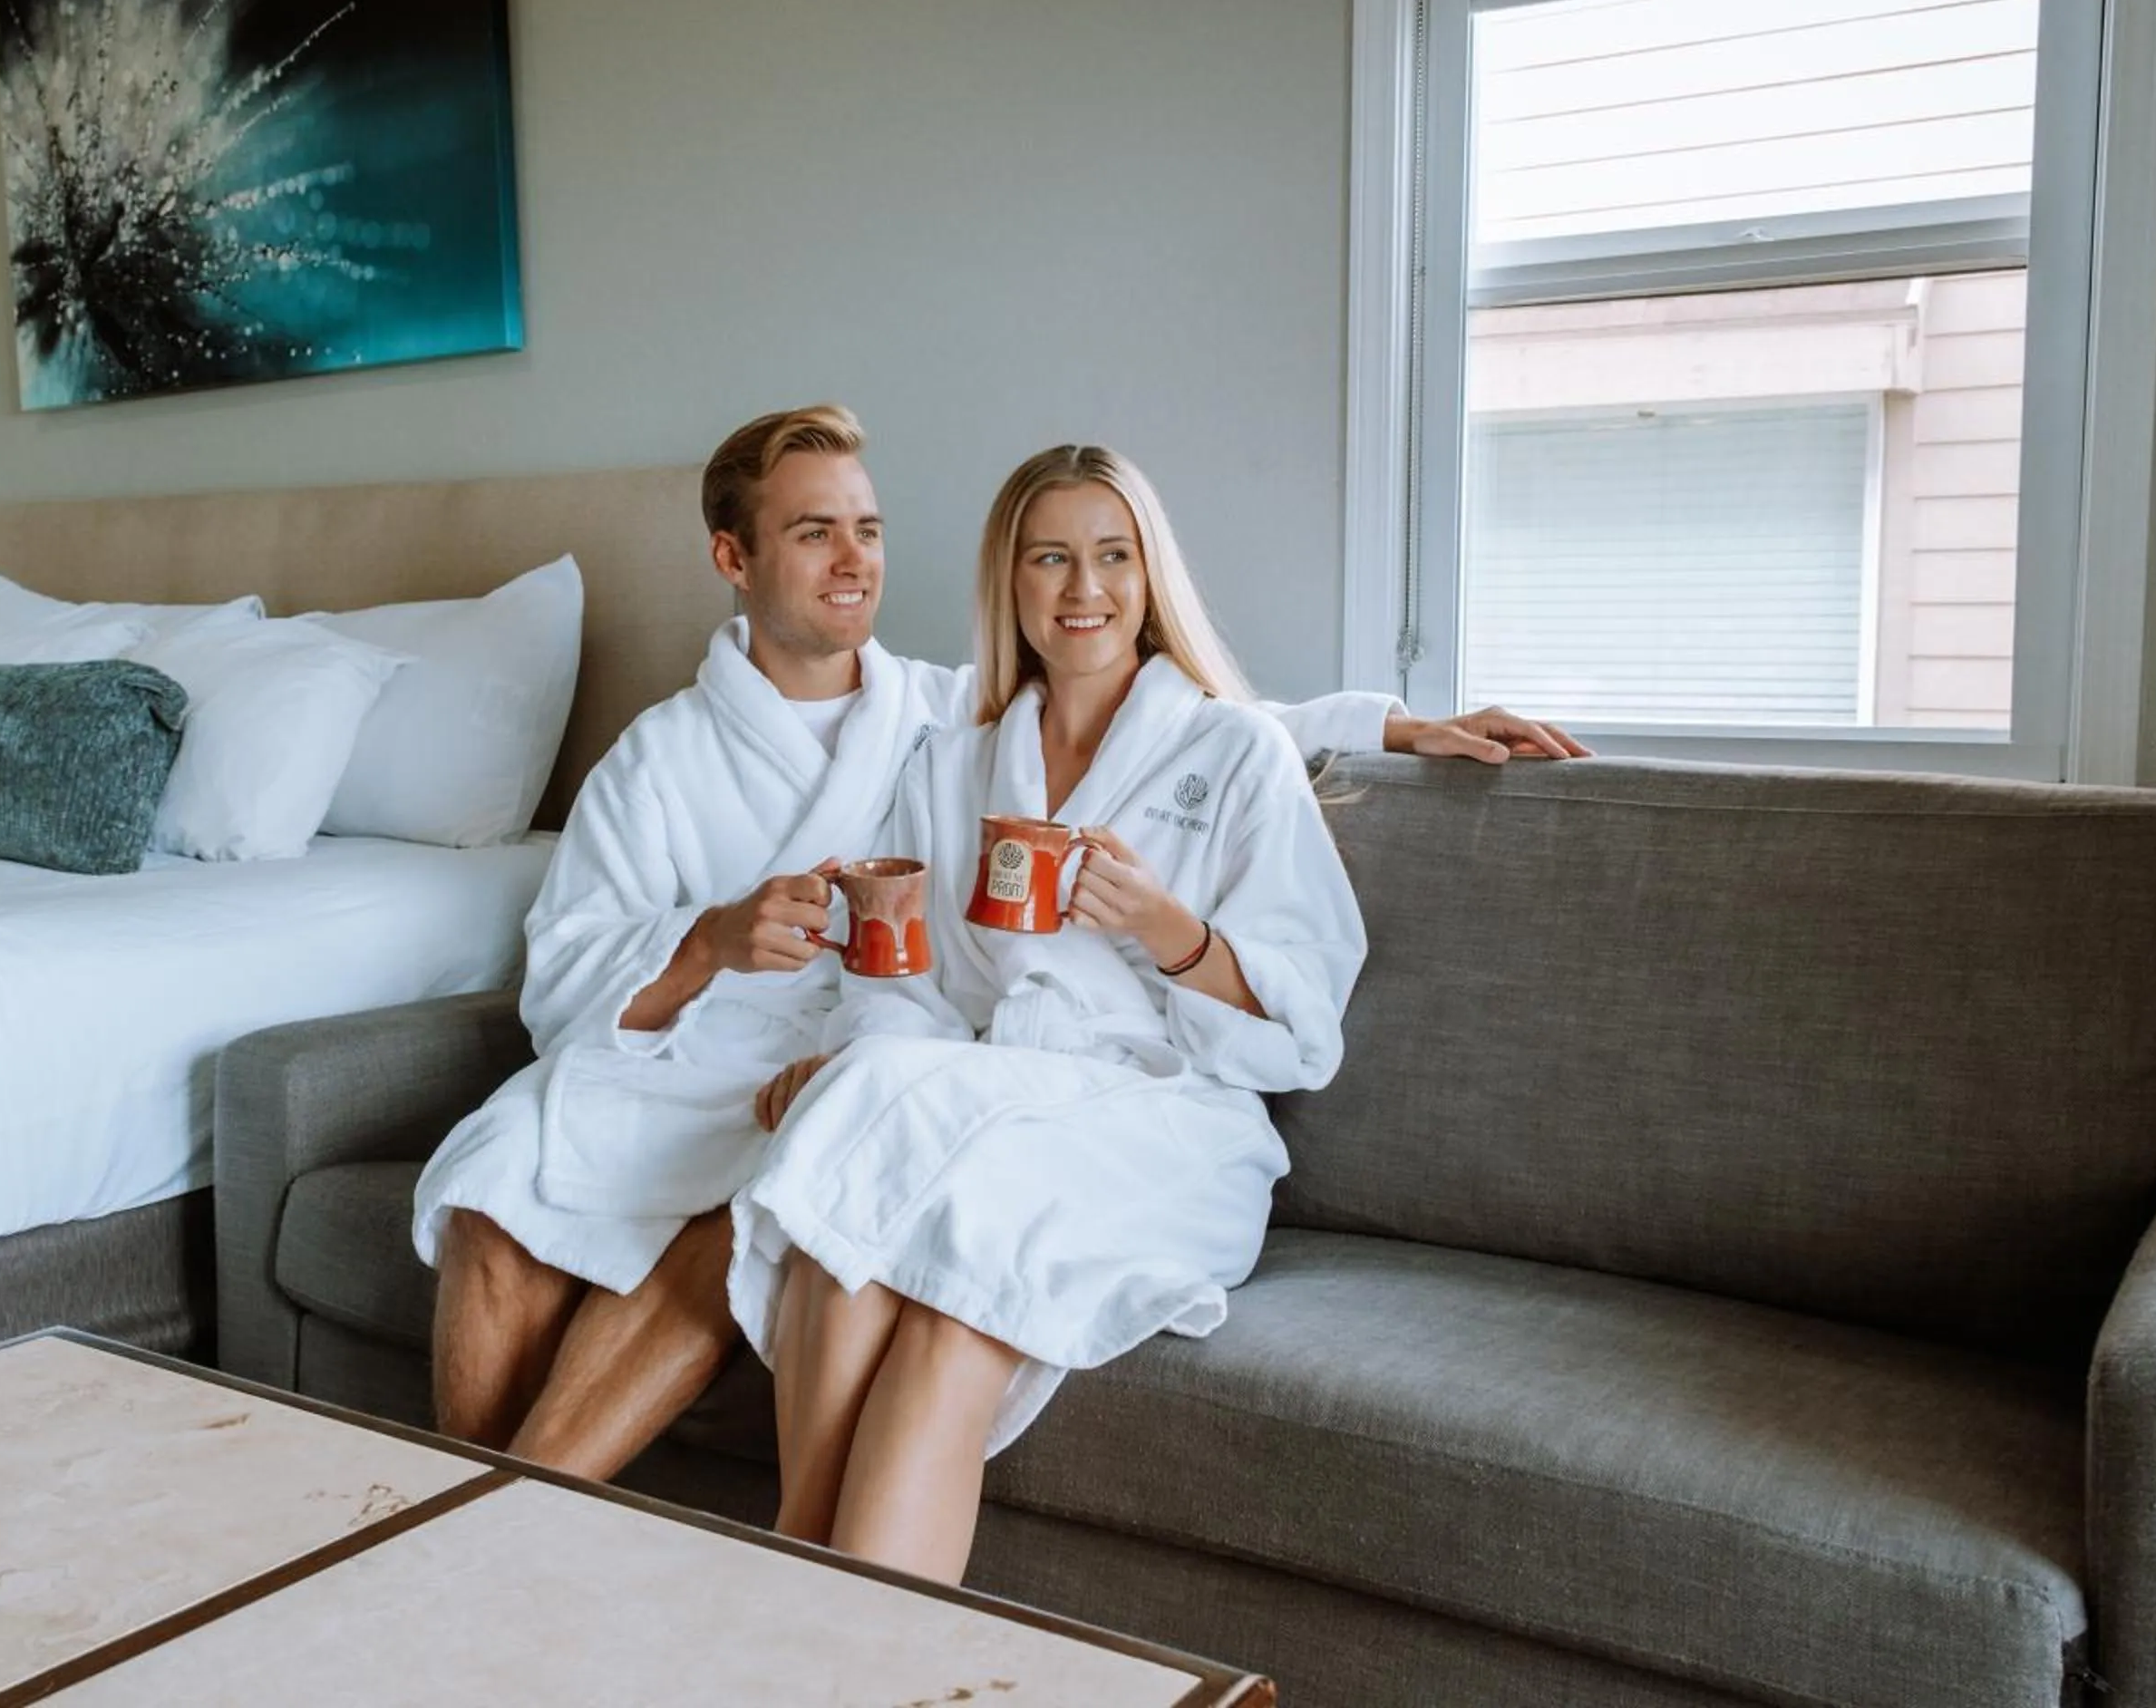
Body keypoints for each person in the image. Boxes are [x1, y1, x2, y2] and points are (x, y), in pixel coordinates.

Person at [411, 406, 1578, 1480]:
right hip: (692, 1047)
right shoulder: (658, 755)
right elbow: (565, 968)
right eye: (815, 533)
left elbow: (1150, 709)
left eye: (867, 529)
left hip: (846, 1048)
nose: (855, 559)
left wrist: (1388, 722)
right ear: (735, 559)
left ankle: (508, 1525)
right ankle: (459, 1504)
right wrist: (710, 941)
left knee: (767, 1190)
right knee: (491, 1190)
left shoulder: (936, 708)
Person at [729, 443, 1372, 1586]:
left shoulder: (1234, 751)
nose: (1086, 588)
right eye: (1053, 558)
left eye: (1115, 556)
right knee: (845, 1214)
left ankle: (813, 1628)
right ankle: (805, 1603)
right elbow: (903, 983)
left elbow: (1307, 1019)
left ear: (1150, 574)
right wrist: (851, 1059)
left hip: (1166, 1119)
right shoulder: (958, 757)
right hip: (995, 1092)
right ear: (1010, 583)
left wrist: (1174, 932)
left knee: (950, 1303)